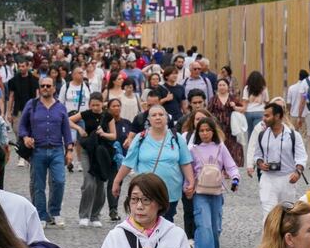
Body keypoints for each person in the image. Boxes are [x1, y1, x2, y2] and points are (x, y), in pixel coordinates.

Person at [112, 104, 195, 224]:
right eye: (154, 115)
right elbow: (128, 163)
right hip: (146, 190)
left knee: (166, 222)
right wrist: (116, 181)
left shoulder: (176, 138)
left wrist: (190, 181)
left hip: (170, 190)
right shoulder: (140, 138)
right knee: (145, 221)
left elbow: (185, 162)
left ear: (167, 118)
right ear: (149, 120)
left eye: (161, 115)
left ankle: (164, 243)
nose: (158, 117)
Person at [18, 76, 73, 228]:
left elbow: (66, 131)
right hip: (38, 150)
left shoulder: (61, 107)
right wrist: (25, 137)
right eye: (43, 86)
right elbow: (22, 126)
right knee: (38, 185)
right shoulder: (32, 105)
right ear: (39, 88)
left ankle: (55, 212)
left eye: (49, 86)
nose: (46, 88)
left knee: (59, 181)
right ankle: (41, 215)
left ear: (54, 88)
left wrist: (69, 149)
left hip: (56, 150)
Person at [188, 117, 240, 248]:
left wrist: (235, 178)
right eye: (201, 131)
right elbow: (188, 170)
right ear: (198, 132)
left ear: (213, 131)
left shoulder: (220, 147)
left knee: (215, 228)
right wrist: (187, 186)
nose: (204, 133)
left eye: (207, 130)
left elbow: (230, 165)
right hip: (200, 192)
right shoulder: (193, 149)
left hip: (217, 192)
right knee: (203, 226)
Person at [252, 102, 307, 221]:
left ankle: (283, 239)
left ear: (277, 116)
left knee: (286, 214)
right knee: (268, 213)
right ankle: (268, 239)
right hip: (268, 179)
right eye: (264, 115)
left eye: (267, 116)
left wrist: (297, 173)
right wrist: (261, 163)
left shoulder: (293, 135)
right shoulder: (262, 135)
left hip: (287, 179)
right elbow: (257, 155)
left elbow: (301, 157)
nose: (264, 118)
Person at [70, 93, 117, 227]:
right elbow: (68, 120)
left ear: (103, 104)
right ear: (89, 105)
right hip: (87, 151)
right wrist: (79, 128)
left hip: (102, 151)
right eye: (93, 105)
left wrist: (103, 134)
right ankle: (84, 215)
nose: (95, 107)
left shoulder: (108, 116)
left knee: (100, 183)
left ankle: (95, 215)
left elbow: (114, 135)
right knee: (89, 182)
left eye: (98, 105)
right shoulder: (85, 114)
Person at [6, 57, 40, 167]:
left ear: (28, 66)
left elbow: (37, 95)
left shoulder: (34, 80)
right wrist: (8, 112)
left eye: (23, 66)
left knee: (32, 132)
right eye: (19, 66)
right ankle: (21, 155)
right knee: (18, 132)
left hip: (32, 110)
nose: (21, 68)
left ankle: (30, 155)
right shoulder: (13, 80)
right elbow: (11, 96)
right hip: (18, 110)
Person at [208, 77, 245, 167]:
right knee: (220, 146)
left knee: (233, 147)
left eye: (224, 85)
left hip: (231, 127)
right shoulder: (213, 99)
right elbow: (208, 111)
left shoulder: (233, 98)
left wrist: (234, 107)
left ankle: (232, 167)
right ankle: (221, 167)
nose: (222, 87)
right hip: (218, 126)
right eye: (220, 85)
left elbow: (242, 109)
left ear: (228, 86)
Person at [243, 70, 269, 141]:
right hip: (260, 111)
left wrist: (243, 111)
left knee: (250, 133)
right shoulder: (264, 88)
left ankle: (250, 150)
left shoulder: (246, 88)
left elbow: (245, 101)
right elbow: (267, 101)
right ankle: (259, 149)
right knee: (259, 132)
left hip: (248, 112)